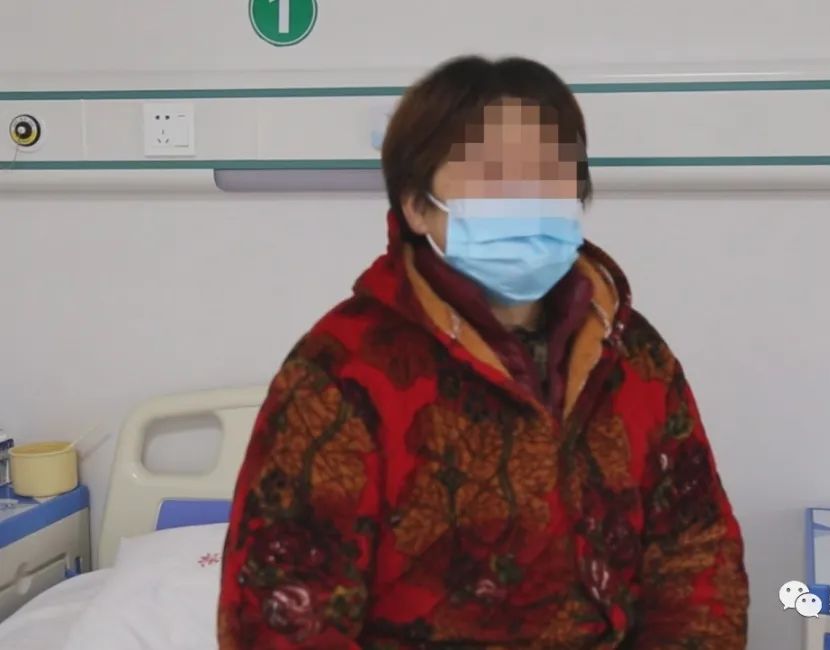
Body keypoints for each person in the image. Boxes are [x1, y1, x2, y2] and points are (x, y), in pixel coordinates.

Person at [217, 55, 749, 649]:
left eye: (551, 172)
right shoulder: (343, 373)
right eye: (493, 174)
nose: (528, 197)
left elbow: (697, 553)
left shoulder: (631, 355)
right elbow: (282, 615)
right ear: (417, 206)